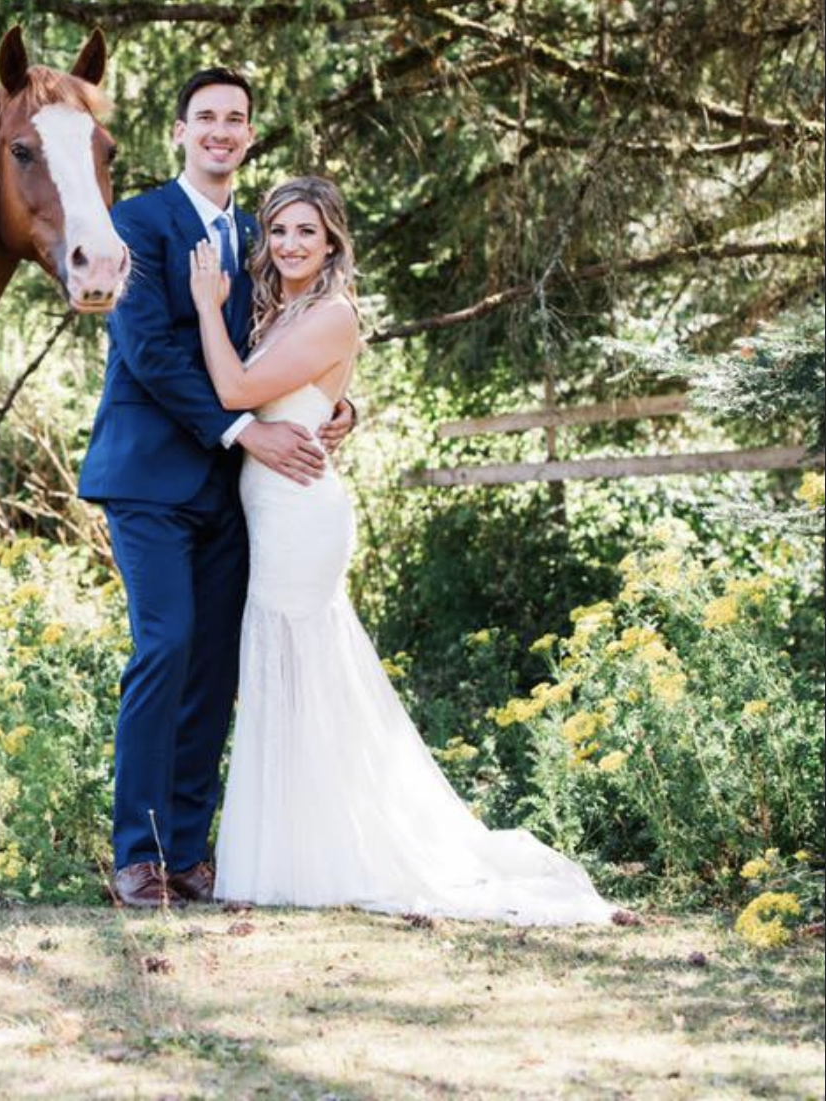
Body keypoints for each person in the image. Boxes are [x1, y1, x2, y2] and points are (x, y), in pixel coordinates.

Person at [188, 175, 615, 925]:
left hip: (300, 512)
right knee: (284, 673)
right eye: (279, 230)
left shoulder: (330, 314)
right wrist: (340, 406)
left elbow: (234, 389)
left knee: (299, 667)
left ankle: (324, 853)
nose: (288, 243)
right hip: (268, 503)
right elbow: (298, 394)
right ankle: (291, 849)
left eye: (305, 233)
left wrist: (200, 302)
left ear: (331, 246)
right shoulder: (281, 308)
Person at [77, 69, 355, 909]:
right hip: (150, 479)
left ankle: (189, 854)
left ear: (248, 136)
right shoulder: (138, 222)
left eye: (235, 119)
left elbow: (289, 342)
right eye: (206, 118)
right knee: (163, 646)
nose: (220, 131)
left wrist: (338, 401)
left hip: (234, 491)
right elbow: (150, 350)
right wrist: (242, 429)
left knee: (214, 665)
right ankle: (136, 854)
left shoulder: (256, 235)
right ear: (179, 130)